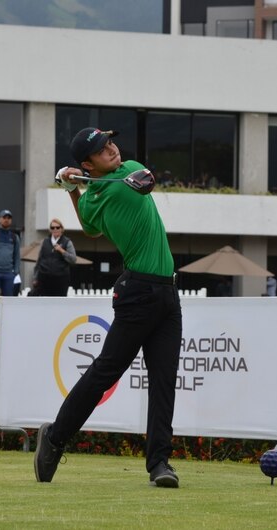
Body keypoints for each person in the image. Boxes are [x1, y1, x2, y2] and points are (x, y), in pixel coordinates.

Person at [35, 127, 183, 488]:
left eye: (111, 142)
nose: (113, 149)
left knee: (164, 381)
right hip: (137, 293)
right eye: (103, 150)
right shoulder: (95, 197)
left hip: (167, 293)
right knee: (105, 373)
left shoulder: (127, 170)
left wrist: (75, 185)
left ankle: (160, 464)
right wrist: (73, 190)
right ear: (88, 163)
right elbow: (90, 224)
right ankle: (55, 437)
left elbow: (145, 182)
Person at [32, 218, 77, 296]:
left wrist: (61, 250)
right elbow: (39, 260)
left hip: (61, 279)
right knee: (44, 303)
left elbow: (73, 259)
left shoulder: (67, 242)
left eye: (57, 227)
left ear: (61, 228)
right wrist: (35, 278)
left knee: (59, 304)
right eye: (52, 227)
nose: (55, 229)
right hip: (44, 278)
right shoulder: (45, 241)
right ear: (50, 229)